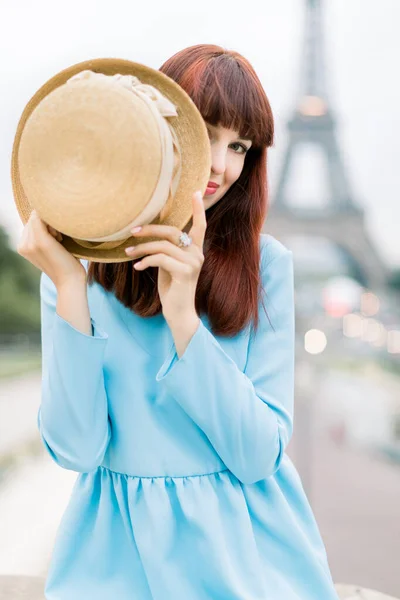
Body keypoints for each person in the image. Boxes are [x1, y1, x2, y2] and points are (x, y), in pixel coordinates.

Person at [18, 45, 339, 599]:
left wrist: (184, 316)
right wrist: (70, 286)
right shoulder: (78, 272)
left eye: (240, 145)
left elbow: (258, 454)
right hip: (117, 559)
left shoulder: (268, 266)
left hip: (247, 555)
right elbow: (76, 449)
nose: (221, 165)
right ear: (160, 131)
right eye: (207, 134)